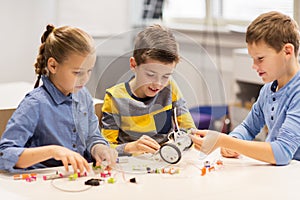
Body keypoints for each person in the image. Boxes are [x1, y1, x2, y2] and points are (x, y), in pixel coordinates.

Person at [0, 25, 117, 173]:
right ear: (53, 66)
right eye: (77, 73)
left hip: (76, 181)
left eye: (89, 71)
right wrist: (52, 151)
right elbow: (4, 155)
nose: (85, 79)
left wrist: (98, 147)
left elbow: (92, 136)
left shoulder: (84, 96)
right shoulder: (35, 104)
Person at [190, 11, 300, 166]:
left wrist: (224, 140)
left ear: (287, 51)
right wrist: (234, 140)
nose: (254, 66)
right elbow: (248, 128)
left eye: (260, 58)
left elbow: (282, 153)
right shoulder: (268, 90)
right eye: (253, 59)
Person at [101, 24, 196, 155]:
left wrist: (178, 142)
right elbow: (105, 148)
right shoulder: (115, 97)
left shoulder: (170, 87)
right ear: (134, 64)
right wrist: (131, 147)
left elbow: (190, 130)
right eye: (150, 75)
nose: (158, 83)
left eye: (166, 76)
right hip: (130, 165)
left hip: (165, 161)